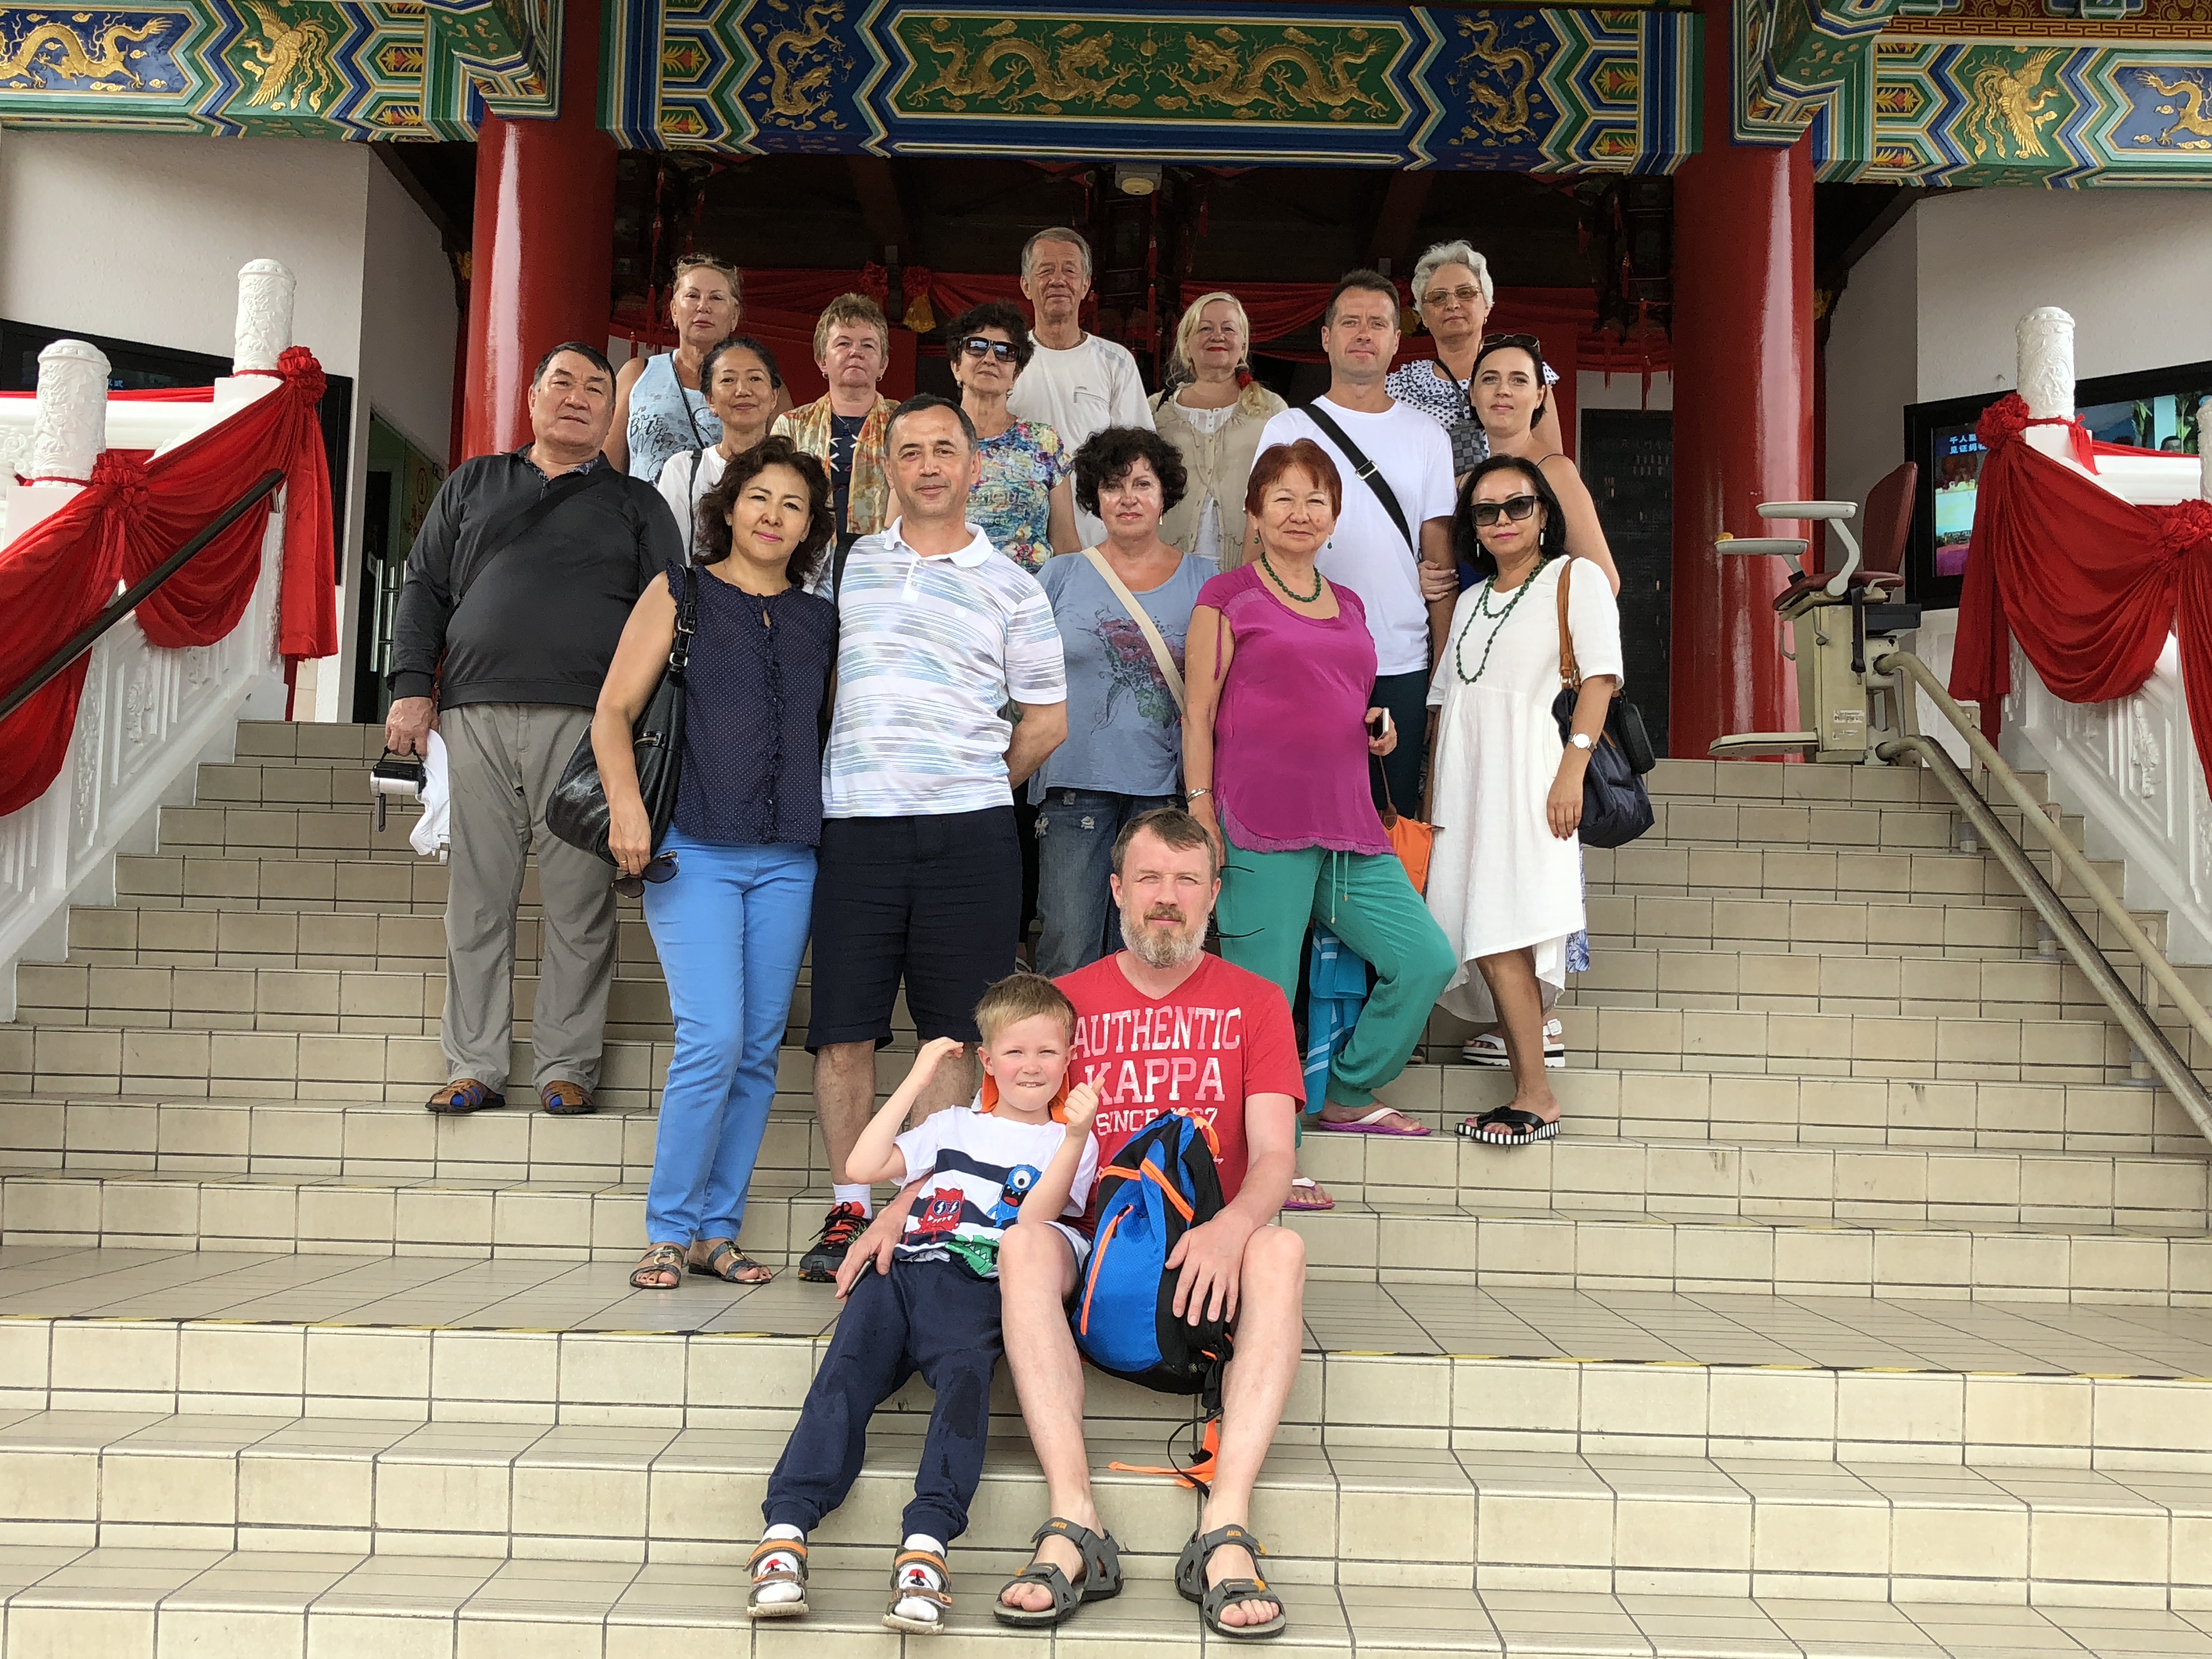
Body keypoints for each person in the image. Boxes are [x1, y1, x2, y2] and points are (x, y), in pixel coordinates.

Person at [835, 810, 1308, 1639]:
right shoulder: (1068, 1003)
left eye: (1188, 880)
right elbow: (984, 1138)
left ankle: (1225, 1526)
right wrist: (903, 1209)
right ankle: (1074, 1519)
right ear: (1117, 889)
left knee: (1283, 1247)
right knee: (1023, 1241)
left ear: (1214, 896)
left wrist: (1232, 1228)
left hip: (1207, 1256)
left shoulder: (1257, 1003)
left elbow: (1275, 1155)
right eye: (1150, 878)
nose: (1168, 898)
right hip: (1088, 1248)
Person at [800, 394, 1070, 1281]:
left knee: (952, 1035)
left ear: (974, 465)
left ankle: (925, 1210)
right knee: (844, 1031)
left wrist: (975, 784)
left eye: (944, 450)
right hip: (856, 828)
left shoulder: (1016, 585)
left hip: (971, 839)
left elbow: (1047, 719)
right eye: (910, 450)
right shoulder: (845, 567)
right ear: (888, 467)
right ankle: (850, 1207)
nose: (927, 465)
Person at [747, 975, 1100, 1634]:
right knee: (840, 1382)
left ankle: (926, 1550)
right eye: (1014, 1052)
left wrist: (1078, 1137)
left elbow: (1035, 1223)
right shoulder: (952, 1124)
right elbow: (861, 1163)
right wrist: (917, 1077)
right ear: (986, 1060)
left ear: (1070, 1057)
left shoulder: (1066, 1141)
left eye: (1047, 1052)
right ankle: (785, 1534)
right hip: (901, 1274)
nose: (1031, 1066)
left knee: (964, 1391)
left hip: (977, 1286)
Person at [385, 343, 682, 1118]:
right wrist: (412, 688)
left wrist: (647, 728)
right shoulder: (475, 482)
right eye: (563, 383)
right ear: (533, 398)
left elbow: (669, 614)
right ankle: (474, 1063)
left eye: (595, 389)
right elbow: (424, 586)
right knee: (477, 899)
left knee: (580, 904)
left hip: (591, 726)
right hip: (474, 712)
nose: (578, 397)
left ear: (612, 412)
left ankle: (567, 1065)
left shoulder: (638, 504)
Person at [595, 437, 837, 1290]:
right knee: (714, 1038)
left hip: (789, 856)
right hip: (692, 844)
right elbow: (613, 713)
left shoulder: (818, 620)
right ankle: (668, 1228)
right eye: (759, 498)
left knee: (760, 1049)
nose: (774, 516)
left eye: (794, 505)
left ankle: (715, 1232)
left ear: (809, 529)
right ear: (728, 507)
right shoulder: (682, 591)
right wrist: (628, 807)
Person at [1188, 441, 1457, 1178]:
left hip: (1348, 823)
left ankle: (1347, 1089)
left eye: (1316, 499)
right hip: (1259, 821)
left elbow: (1343, 693)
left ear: (1335, 517)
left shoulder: (1351, 604)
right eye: (1283, 498)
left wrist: (1377, 729)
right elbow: (1198, 711)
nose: (1300, 512)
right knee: (1266, 1001)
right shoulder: (1228, 597)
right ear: (1255, 513)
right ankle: (1272, 1159)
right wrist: (1201, 808)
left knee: (1425, 959)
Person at [1426, 456, 1621, 1146]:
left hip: (1533, 776)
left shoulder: (1574, 578)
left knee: (1506, 928)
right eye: (1487, 511)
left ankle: (1536, 1094)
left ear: (1544, 513)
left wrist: (1573, 769)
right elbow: (1448, 703)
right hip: (1467, 783)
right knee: (1480, 931)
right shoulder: (1472, 600)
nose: (1503, 520)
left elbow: (1601, 679)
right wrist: (1433, 806)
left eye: (1518, 505)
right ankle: (1528, 1087)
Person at [1252, 270, 1458, 816]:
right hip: (1302, 653)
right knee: (1302, 810)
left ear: (1396, 341)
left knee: (1388, 819)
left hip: (1399, 657)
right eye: (1350, 322)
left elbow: (1439, 566)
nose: (1363, 334)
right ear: (1326, 338)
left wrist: (1440, 675)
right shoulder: (1288, 429)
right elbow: (1259, 547)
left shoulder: (1427, 436)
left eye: (1378, 324)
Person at [1031, 426, 1212, 976]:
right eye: (1113, 486)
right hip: (1073, 785)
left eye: (1142, 484)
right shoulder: (1060, 575)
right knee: (1068, 946)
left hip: (1165, 790)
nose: (1128, 497)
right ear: (1094, 497)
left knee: (1153, 950)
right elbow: (1019, 677)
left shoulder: (1207, 579)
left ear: (1165, 495)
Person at [1006, 228, 1154, 546]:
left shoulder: (1116, 361)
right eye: (1046, 270)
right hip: (1018, 535)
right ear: (1026, 286)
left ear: (1086, 285)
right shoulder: (1006, 360)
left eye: (1070, 271)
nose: (1058, 280)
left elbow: (1139, 455)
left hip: (1097, 535)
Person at [1385, 241, 1564, 474]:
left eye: (1465, 293)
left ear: (1487, 306)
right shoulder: (1399, 386)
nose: (1452, 304)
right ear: (1424, 317)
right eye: (1438, 298)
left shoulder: (1526, 371)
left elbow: (1552, 464)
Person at [610, 255, 788, 481]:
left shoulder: (762, 384)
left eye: (716, 298)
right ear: (674, 310)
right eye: (693, 296)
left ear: (734, 316)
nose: (703, 307)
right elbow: (608, 470)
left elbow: (786, 468)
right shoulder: (638, 374)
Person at [1150, 291, 1286, 570]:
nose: (1217, 336)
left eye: (1228, 329)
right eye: (1205, 329)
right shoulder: (1156, 409)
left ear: (1243, 345)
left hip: (1248, 567)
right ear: (1186, 345)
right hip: (1168, 569)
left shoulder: (1271, 409)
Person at [772, 293, 896, 585]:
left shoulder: (906, 423)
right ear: (822, 360)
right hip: (803, 572)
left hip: (884, 572)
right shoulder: (791, 426)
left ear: (883, 365)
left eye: (868, 345)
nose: (856, 352)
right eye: (843, 343)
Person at [946, 298, 1076, 573]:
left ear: (1016, 374)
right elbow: (897, 528)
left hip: (1030, 592)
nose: (990, 359)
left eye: (1005, 352)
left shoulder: (1044, 443)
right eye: (977, 347)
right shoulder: (930, 438)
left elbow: (1066, 545)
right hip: (948, 589)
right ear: (956, 365)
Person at [652, 336, 783, 563]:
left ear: (774, 397)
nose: (743, 390)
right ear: (710, 399)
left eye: (755, 378)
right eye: (728, 380)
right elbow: (670, 556)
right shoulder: (683, 470)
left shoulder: (795, 474)